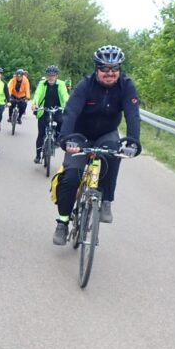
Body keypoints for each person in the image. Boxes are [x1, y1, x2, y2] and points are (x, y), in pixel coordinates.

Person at [52, 45, 141, 245]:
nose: (110, 73)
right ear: (96, 68)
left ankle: (106, 200)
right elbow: (71, 112)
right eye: (104, 68)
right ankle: (63, 222)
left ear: (119, 69)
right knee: (71, 177)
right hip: (80, 135)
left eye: (114, 69)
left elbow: (133, 115)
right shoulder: (85, 85)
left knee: (113, 155)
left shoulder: (126, 86)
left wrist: (133, 142)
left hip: (106, 133)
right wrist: (66, 139)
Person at [31, 65, 69, 163]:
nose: (51, 77)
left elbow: (64, 95)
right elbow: (37, 94)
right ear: (47, 76)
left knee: (62, 121)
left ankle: (57, 138)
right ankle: (38, 155)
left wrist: (67, 105)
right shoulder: (42, 84)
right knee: (41, 133)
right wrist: (34, 104)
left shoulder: (61, 84)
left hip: (57, 109)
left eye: (53, 75)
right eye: (49, 75)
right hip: (44, 109)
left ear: (57, 76)